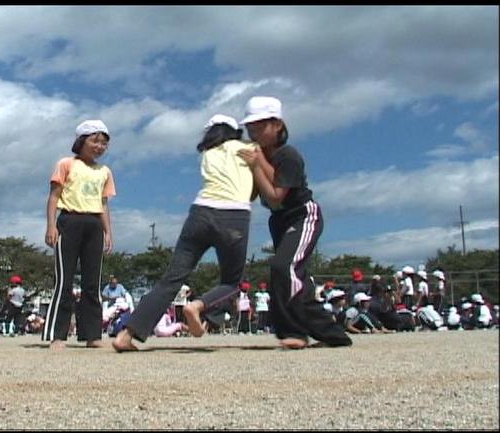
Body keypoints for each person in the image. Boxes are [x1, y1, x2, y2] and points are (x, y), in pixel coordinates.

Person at [112, 114, 258, 352]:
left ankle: (127, 334)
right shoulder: (249, 148)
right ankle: (198, 307)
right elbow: (251, 192)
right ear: (235, 132)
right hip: (234, 216)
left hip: (200, 213)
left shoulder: (208, 153)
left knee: (172, 279)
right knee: (232, 282)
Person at [237, 96, 351, 349]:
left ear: (277, 125)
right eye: (250, 126)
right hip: (279, 221)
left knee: (283, 267)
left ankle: (294, 332)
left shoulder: (289, 156)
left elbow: (276, 197)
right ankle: (333, 335)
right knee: (295, 279)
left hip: (302, 215)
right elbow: (257, 192)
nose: (253, 131)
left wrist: (256, 165)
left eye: (260, 125)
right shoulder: (259, 155)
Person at [42, 119, 116, 350]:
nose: (99, 147)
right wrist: (51, 226)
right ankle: (57, 335)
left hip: (94, 223)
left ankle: (92, 335)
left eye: (104, 143)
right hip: (69, 220)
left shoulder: (104, 171)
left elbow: (103, 203)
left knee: (92, 282)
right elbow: (54, 196)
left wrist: (108, 231)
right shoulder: (66, 164)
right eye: (95, 140)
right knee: (64, 280)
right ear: (81, 141)